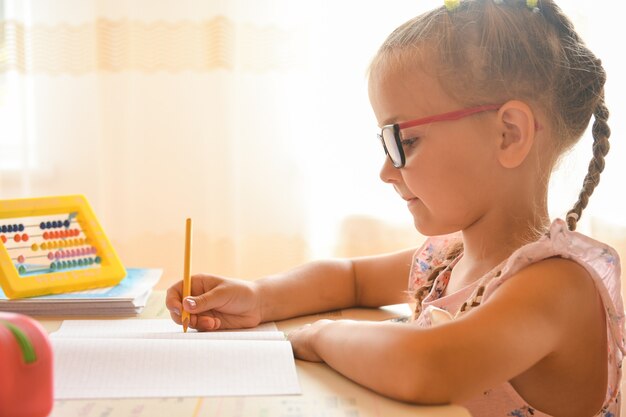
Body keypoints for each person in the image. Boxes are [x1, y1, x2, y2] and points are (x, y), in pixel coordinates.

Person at [166, 0, 624, 415]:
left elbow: (430, 365)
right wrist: (258, 297)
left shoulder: (558, 287)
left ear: (509, 134)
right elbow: (349, 278)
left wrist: (316, 335)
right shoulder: (451, 258)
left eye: (403, 141)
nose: (386, 170)